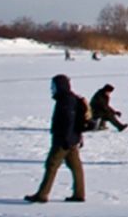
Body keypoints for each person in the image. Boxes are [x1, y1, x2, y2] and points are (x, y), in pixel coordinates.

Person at [25, 74, 86, 203]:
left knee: (51, 165)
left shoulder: (66, 100)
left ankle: (42, 194)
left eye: (54, 86)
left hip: (64, 140)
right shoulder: (69, 98)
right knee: (75, 167)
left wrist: (66, 140)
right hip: (72, 139)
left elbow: (68, 121)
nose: (52, 89)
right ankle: (79, 194)